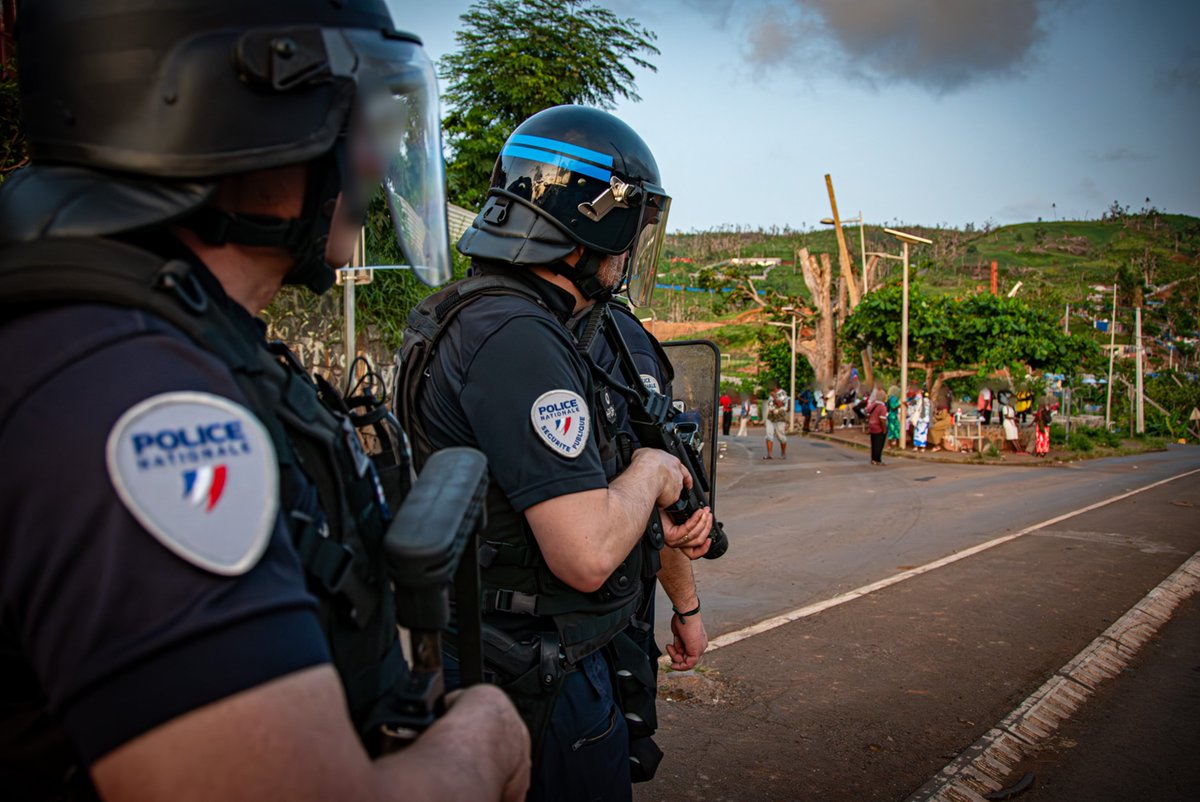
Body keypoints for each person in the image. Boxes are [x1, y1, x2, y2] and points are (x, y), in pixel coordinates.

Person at [0, 2, 530, 801]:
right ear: (237, 114)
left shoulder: (178, 333)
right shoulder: (130, 394)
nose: (379, 163)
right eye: (356, 119)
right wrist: (481, 742)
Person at [394, 105, 713, 802]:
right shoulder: (518, 338)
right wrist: (654, 470)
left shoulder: (490, 316)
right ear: (591, 223)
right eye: (630, 234)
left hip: (501, 655)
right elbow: (587, 550)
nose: (628, 257)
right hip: (529, 675)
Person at [764, 381, 790, 459]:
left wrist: (774, 396)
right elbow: (770, 405)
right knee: (769, 435)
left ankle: (783, 453)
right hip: (771, 416)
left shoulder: (783, 393)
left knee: (781, 436)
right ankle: (769, 454)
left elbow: (780, 404)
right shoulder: (771, 394)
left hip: (780, 416)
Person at [865, 390, 888, 465]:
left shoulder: (873, 405)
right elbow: (882, 420)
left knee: (873, 443)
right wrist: (884, 429)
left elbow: (867, 411)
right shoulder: (882, 407)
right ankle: (878, 460)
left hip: (872, 426)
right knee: (879, 444)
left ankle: (873, 459)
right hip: (879, 427)